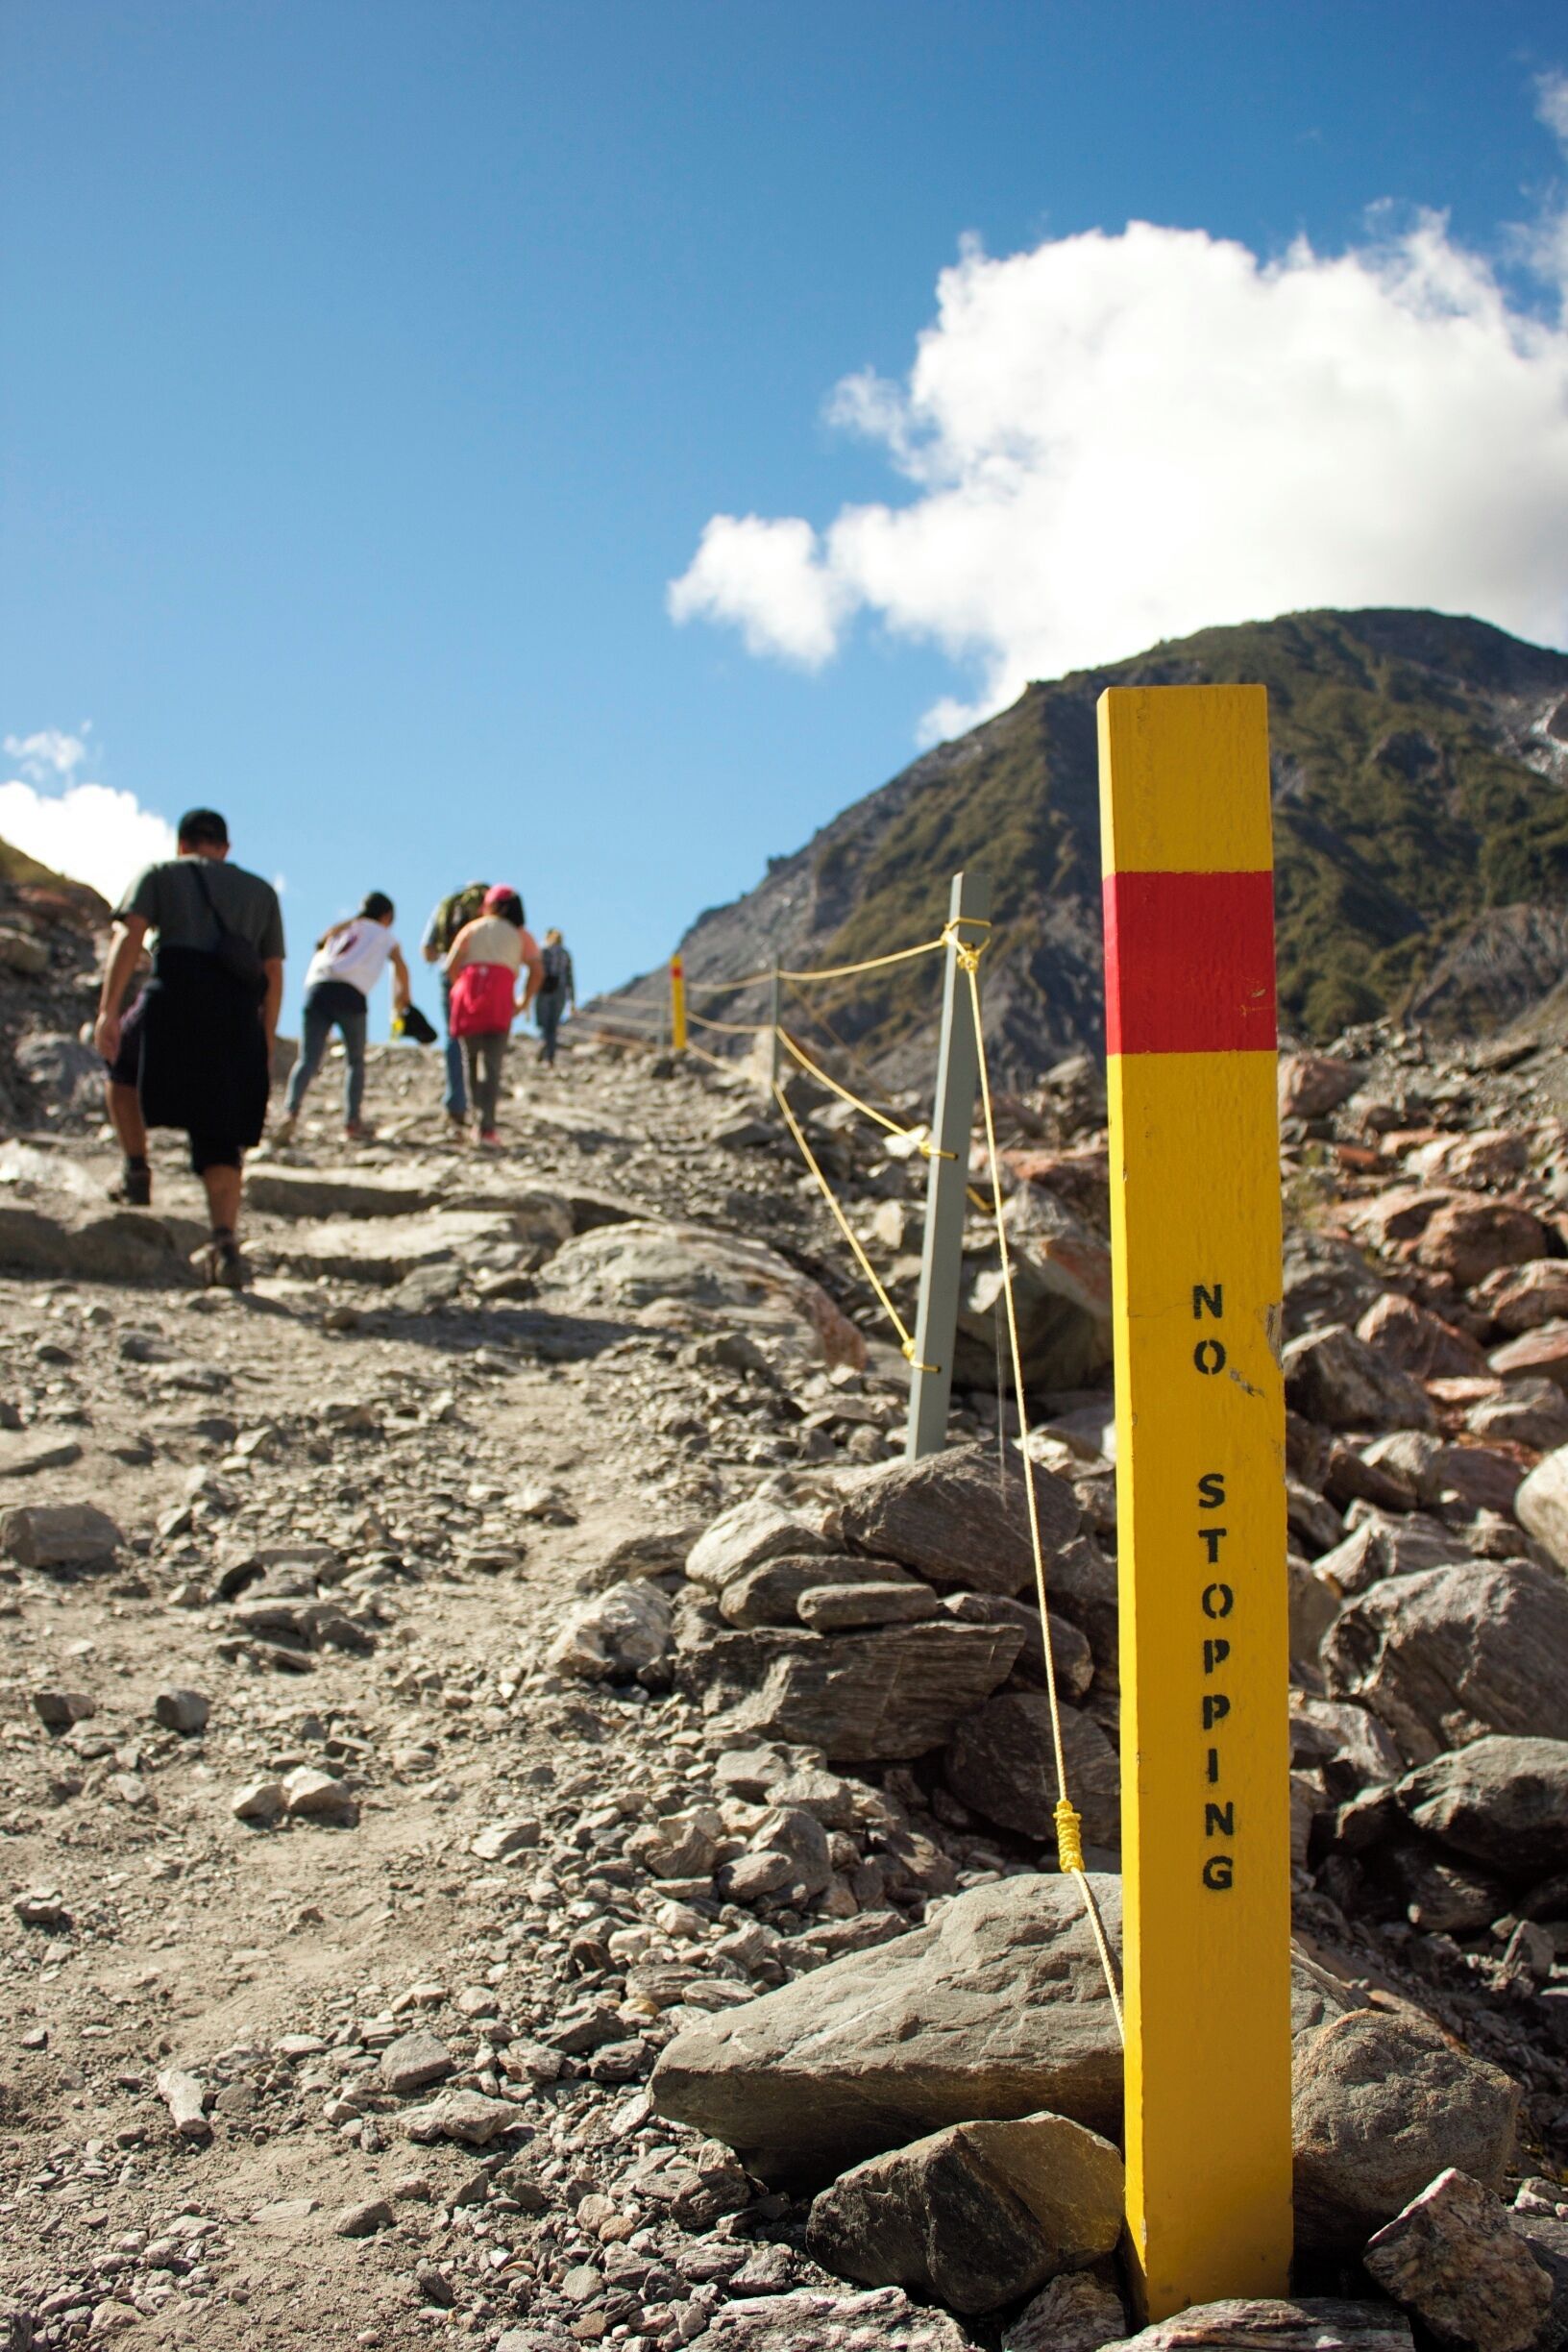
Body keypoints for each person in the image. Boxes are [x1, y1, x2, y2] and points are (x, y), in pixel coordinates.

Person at [94, 808, 284, 1289]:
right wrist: (264, 1039)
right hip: (234, 1015)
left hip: (173, 999)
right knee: (220, 1129)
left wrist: (109, 1011)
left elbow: (130, 934)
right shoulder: (261, 893)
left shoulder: (161, 875)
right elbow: (273, 971)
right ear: (225, 847)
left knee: (122, 1069)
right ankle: (224, 1242)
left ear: (182, 843)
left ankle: (136, 1170)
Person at [273, 893, 410, 1143]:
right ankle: (352, 1123)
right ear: (386, 916)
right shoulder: (384, 935)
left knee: (308, 1059)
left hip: (317, 989)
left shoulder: (343, 929)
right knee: (355, 1061)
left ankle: (290, 1111)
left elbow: (320, 944)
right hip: (350, 995)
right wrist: (403, 999)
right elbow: (400, 966)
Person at [444, 885, 542, 1145]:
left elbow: (451, 964)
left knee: (471, 1061)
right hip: (500, 998)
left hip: (469, 993)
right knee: (492, 1064)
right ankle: (487, 1127)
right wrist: (523, 1001)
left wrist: (459, 987)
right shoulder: (521, 936)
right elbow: (537, 970)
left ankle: (476, 1119)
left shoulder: (473, 928)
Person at [421, 880, 489, 1135]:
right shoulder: (489, 908)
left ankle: (456, 1103)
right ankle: (483, 1107)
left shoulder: (446, 905)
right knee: (485, 1039)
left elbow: (427, 950)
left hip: (449, 972)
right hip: (484, 975)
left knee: (454, 1036)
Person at [534, 927, 576, 1066]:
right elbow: (570, 978)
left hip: (544, 990)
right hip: (561, 992)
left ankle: (542, 1048)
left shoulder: (543, 951)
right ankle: (549, 1057)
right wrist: (572, 1001)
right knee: (553, 1025)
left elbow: (536, 972)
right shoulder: (565, 954)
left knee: (544, 1023)